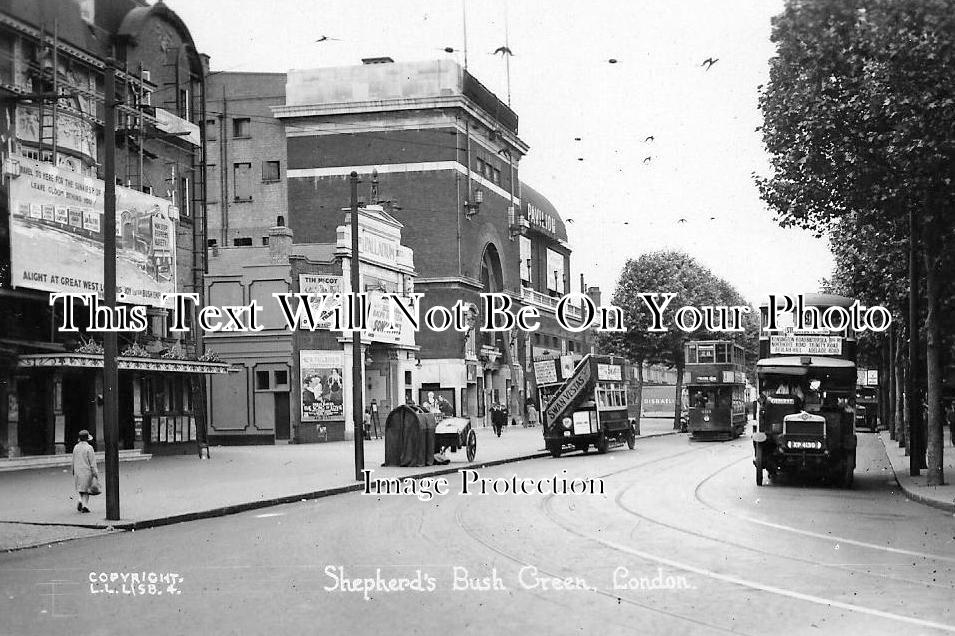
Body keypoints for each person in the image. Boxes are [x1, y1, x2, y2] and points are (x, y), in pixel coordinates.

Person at [71, 430, 99, 514]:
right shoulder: (89, 448)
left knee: (80, 488)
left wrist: (73, 470)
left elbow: (73, 460)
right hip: (87, 471)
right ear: (87, 439)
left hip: (77, 471)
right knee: (86, 490)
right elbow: (92, 462)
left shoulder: (76, 447)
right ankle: (85, 506)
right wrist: (95, 473)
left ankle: (80, 500)